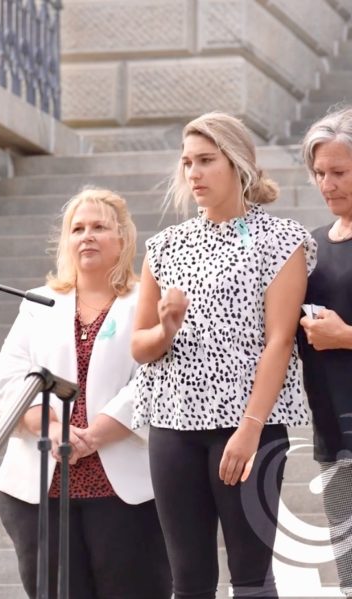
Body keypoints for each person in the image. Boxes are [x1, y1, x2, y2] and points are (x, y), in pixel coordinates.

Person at [131, 112, 314, 598]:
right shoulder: (164, 246)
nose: (193, 172)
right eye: (187, 162)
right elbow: (140, 346)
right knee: (188, 581)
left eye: (206, 160)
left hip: (248, 426)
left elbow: (280, 341)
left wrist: (250, 430)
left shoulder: (282, 240)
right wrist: (167, 327)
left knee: (252, 579)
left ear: (238, 164)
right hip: (172, 427)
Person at [0, 188, 171, 598]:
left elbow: (156, 375)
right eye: (77, 229)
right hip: (41, 490)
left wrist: (98, 432)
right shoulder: (40, 303)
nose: (87, 236)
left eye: (99, 227)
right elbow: (10, 375)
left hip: (127, 490)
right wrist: (54, 430)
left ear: (122, 239)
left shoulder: (144, 300)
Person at [297, 106, 352, 597]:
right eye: (319, 173)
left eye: (339, 172)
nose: (327, 184)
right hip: (333, 434)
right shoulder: (311, 246)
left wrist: (346, 336)